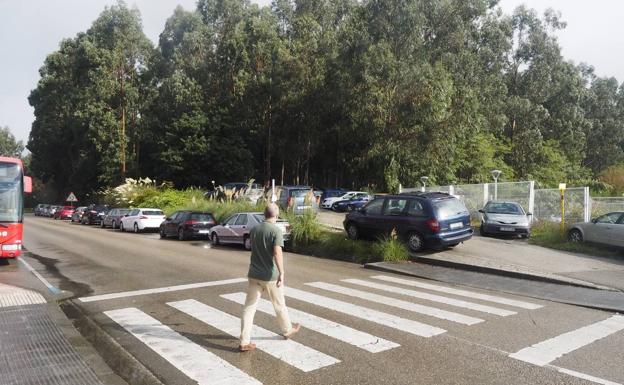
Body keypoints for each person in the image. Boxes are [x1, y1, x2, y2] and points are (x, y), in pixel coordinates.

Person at [239, 203, 300, 352]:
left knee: (249, 308)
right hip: (270, 276)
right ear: (277, 215)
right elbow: (277, 253)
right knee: (279, 304)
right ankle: (287, 330)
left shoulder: (254, 230)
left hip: (254, 274)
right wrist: (282, 273)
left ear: (264, 214)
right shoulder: (276, 231)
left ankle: (244, 341)